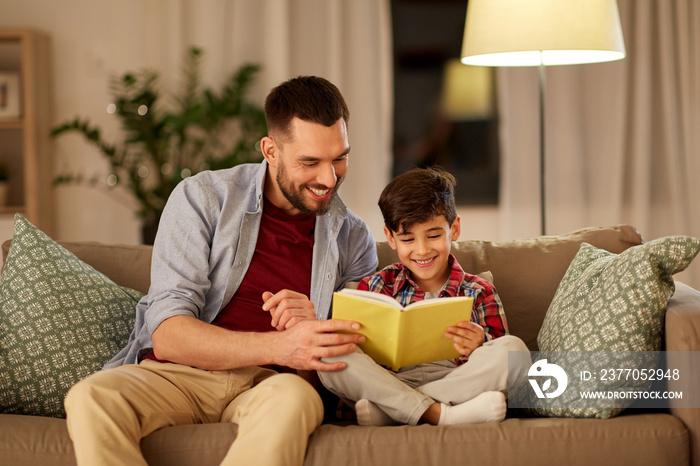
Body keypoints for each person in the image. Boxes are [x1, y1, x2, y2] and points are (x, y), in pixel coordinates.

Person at [64, 76, 378, 466]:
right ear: (271, 150)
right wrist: (284, 346)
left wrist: (315, 332)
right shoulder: (203, 199)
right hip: (178, 376)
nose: (329, 179)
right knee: (91, 396)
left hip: (271, 385)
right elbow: (169, 335)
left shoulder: (353, 237)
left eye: (339, 158)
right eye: (310, 162)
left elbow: (355, 367)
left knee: (297, 400)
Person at [319, 167, 529, 426]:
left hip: (456, 382)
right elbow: (347, 348)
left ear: (455, 228)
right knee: (327, 353)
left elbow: (498, 355)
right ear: (391, 238)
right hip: (388, 381)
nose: (422, 250)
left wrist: (479, 343)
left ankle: (394, 412)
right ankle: (441, 415)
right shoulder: (374, 286)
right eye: (408, 239)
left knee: (514, 351)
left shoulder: (479, 291)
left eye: (433, 235)